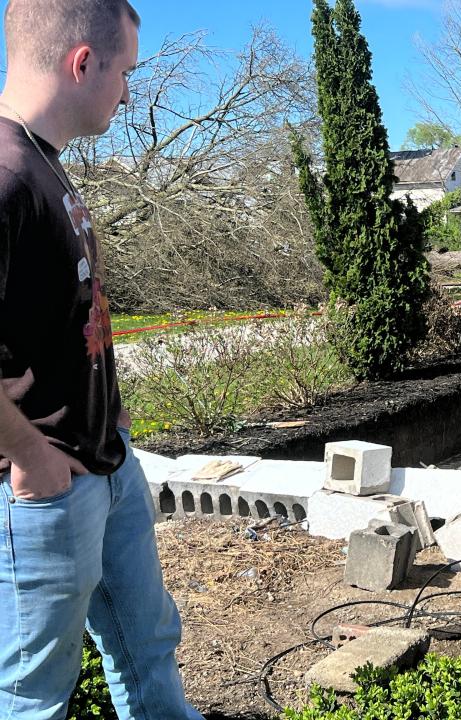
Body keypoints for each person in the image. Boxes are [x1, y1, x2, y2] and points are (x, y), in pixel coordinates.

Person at [0, 1, 203, 717]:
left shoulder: (40, 162)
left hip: (106, 468)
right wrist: (31, 453)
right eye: (126, 73)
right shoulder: (4, 172)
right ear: (83, 62)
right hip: (45, 490)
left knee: (147, 646)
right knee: (33, 698)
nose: (128, 91)